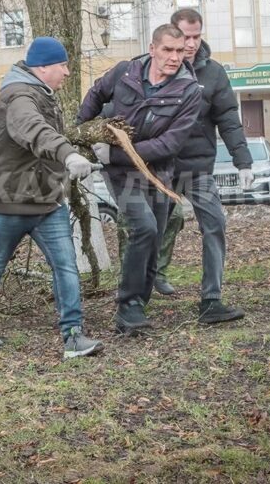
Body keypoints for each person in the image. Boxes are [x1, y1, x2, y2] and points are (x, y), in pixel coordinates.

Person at [0, 36, 103, 359]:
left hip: (46, 202)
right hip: (7, 203)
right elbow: (35, 131)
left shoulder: (43, 95)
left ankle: (73, 336)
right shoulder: (19, 98)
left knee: (66, 265)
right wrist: (68, 156)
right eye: (62, 65)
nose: (68, 72)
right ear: (42, 68)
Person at [77, 24, 202, 334]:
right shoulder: (126, 72)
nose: (174, 58)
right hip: (123, 174)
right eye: (167, 50)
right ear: (153, 49)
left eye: (179, 51)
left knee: (156, 235)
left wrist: (114, 153)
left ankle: (138, 304)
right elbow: (95, 94)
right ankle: (128, 305)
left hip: (157, 172)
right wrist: (82, 132)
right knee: (143, 227)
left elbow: (171, 143)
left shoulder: (188, 90)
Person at [154, 8, 252, 324]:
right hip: (159, 167)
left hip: (197, 168)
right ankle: (143, 286)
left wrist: (243, 161)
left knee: (215, 224)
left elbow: (228, 119)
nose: (192, 43)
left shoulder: (213, 73)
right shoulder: (158, 66)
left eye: (197, 36)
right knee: (151, 228)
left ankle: (211, 300)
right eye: (186, 36)